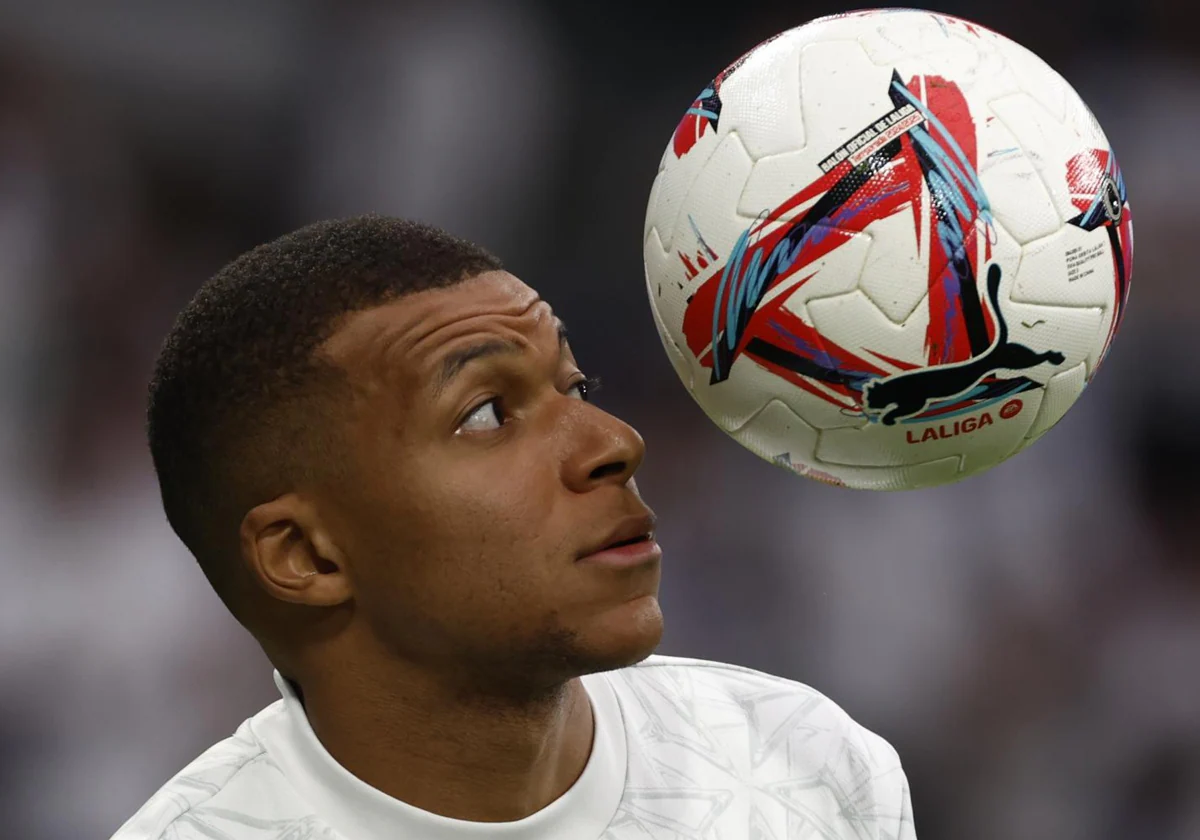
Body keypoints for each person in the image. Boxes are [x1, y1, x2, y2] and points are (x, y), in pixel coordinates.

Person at [113, 216, 916, 839]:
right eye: (487, 414)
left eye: (575, 382)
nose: (614, 442)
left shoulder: (806, 767)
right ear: (308, 556)